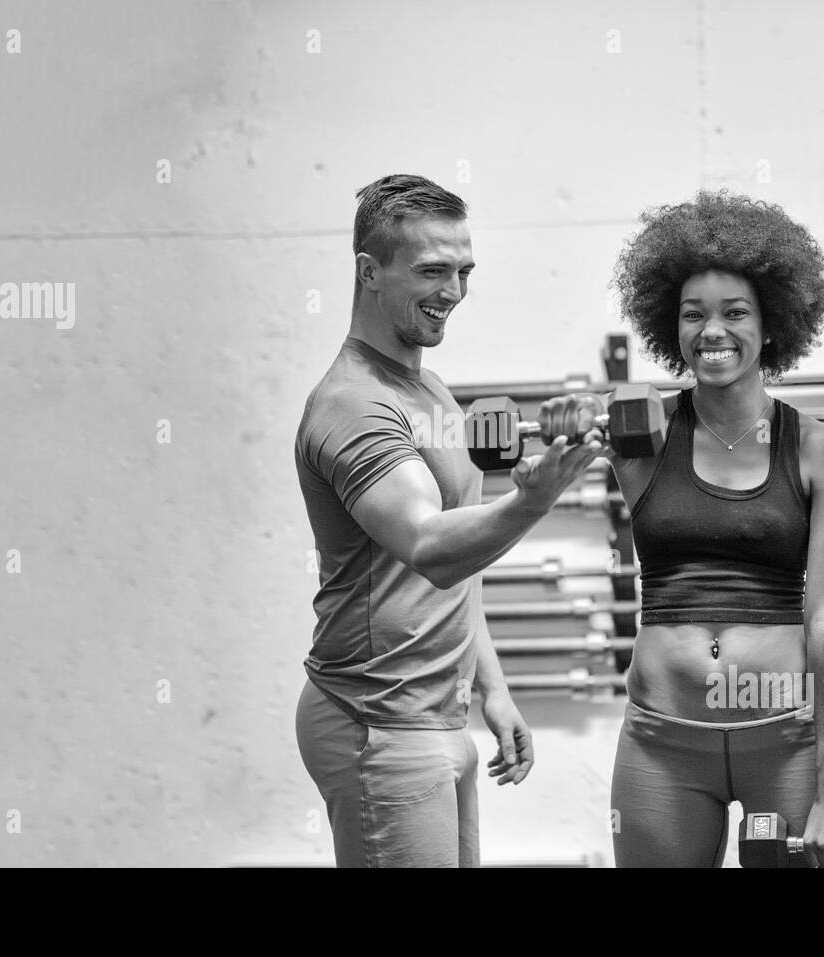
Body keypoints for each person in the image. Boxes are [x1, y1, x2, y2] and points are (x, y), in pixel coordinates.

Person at [542, 190, 824, 867]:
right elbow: (570, 430)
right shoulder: (641, 436)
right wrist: (568, 416)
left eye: (734, 312)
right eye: (694, 314)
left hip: (785, 739)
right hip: (662, 745)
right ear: (672, 325)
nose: (711, 330)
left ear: (772, 323)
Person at [293, 173, 602, 867]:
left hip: (435, 713)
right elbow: (431, 547)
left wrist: (492, 688)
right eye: (433, 270)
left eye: (464, 271)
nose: (454, 291)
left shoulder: (427, 385)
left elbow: (457, 569)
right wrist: (532, 499)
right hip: (378, 722)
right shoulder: (353, 404)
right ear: (369, 272)